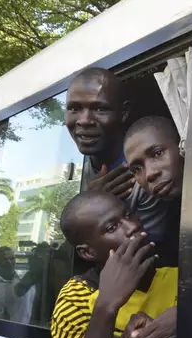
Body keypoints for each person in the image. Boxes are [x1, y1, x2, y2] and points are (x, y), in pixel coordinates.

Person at [51, 190, 177, 338]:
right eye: (111, 228)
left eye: (128, 214)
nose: (133, 226)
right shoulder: (76, 298)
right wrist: (106, 305)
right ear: (88, 252)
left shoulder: (180, 274)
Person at [65, 68, 170, 244]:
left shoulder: (144, 175)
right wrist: (90, 203)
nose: (84, 120)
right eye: (74, 108)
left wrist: (94, 209)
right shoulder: (88, 166)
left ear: (123, 113)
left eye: (100, 109)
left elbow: (147, 251)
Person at [123, 116, 184, 266]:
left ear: (183, 146)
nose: (149, 174)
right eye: (137, 168)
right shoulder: (171, 224)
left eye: (157, 153)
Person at [0, 247, 36, 323]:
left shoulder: (26, 279)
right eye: (4, 259)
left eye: (12, 259)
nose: (9, 262)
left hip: (26, 329)